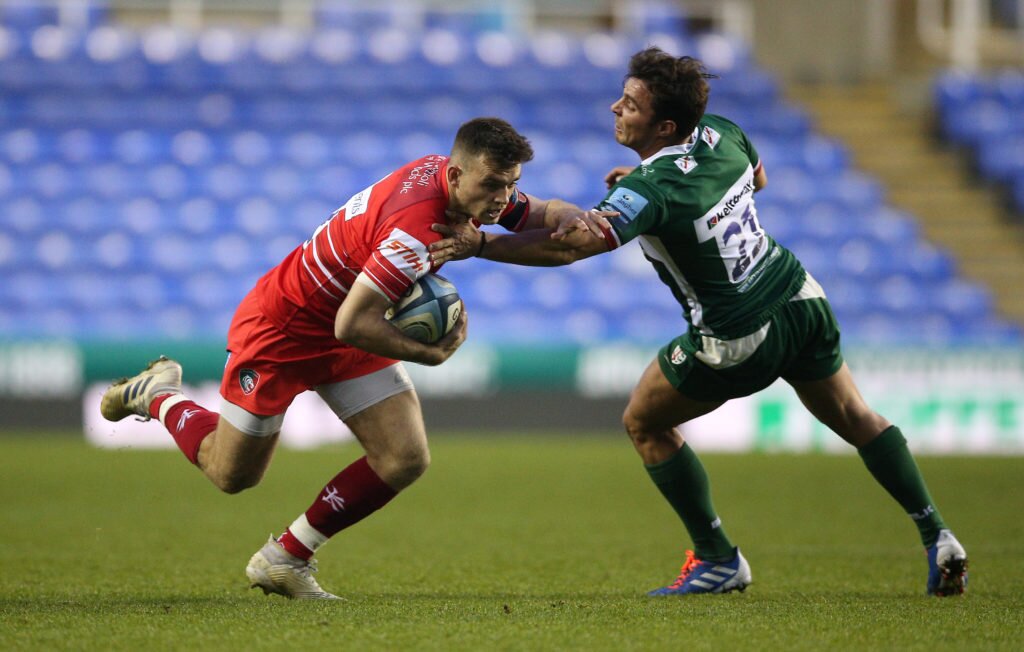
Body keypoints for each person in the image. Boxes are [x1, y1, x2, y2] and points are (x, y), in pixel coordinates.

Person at [429, 48, 968, 597]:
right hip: (800, 296)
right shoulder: (722, 133)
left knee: (644, 422)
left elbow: (571, 248)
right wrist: (650, 192)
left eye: (631, 104)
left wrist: (482, 246)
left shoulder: (651, 188)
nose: (616, 106)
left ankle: (717, 559)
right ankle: (938, 534)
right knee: (856, 414)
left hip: (737, 333)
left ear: (664, 125)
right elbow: (756, 179)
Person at [99, 117, 603, 600]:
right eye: (494, 184)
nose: (503, 198)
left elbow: (538, 218)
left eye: (512, 184)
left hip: (347, 324)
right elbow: (352, 323)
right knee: (232, 475)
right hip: (285, 330)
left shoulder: (462, 182)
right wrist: (428, 354)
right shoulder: (412, 232)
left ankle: (286, 558)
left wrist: (564, 215)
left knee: (404, 456)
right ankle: (160, 394)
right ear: (455, 174)